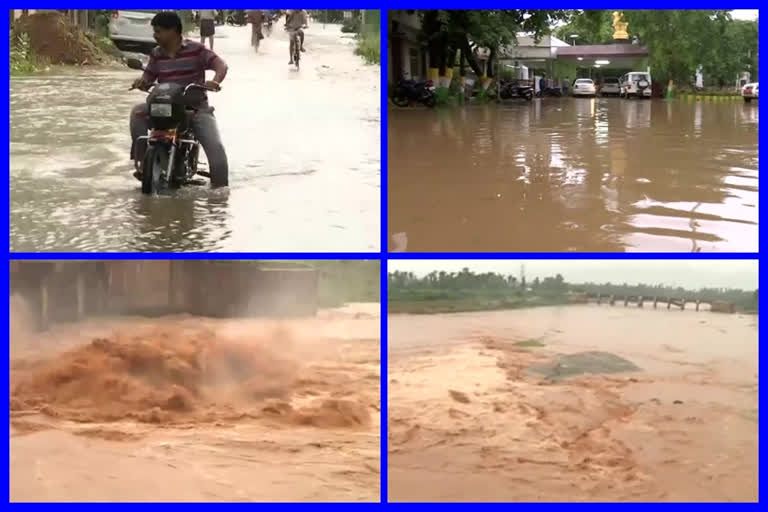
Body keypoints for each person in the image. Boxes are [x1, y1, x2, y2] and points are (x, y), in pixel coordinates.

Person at [129, 11, 229, 187]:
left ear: (174, 31)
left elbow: (221, 65)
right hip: (164, 107)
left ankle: (220, 196)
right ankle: (143, 162)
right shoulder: (156, 54)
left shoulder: (197, 49)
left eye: (159, 31)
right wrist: (142, 83)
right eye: (155, 31)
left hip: (194, 109)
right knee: (137, 112)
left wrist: (214, 81)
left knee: (217, 157)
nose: (155, 36)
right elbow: (148, 78)